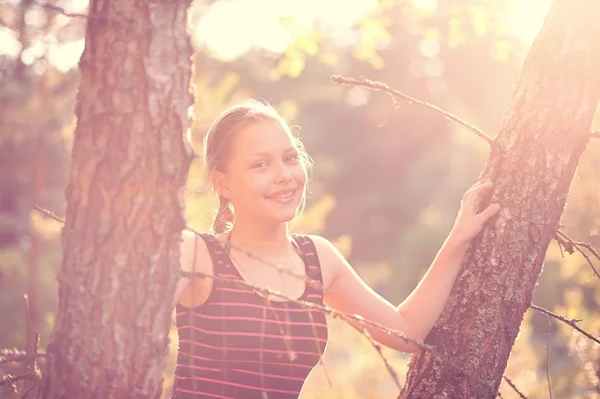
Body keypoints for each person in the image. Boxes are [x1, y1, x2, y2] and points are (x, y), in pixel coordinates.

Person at [171, 99, 500, 399]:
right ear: (223, 182)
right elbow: (124, 341)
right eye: (260, 165)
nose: (284, 175)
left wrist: (458, 239)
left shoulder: (318, 259)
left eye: (290, 158)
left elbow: (406, 332)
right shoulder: (195, 253)